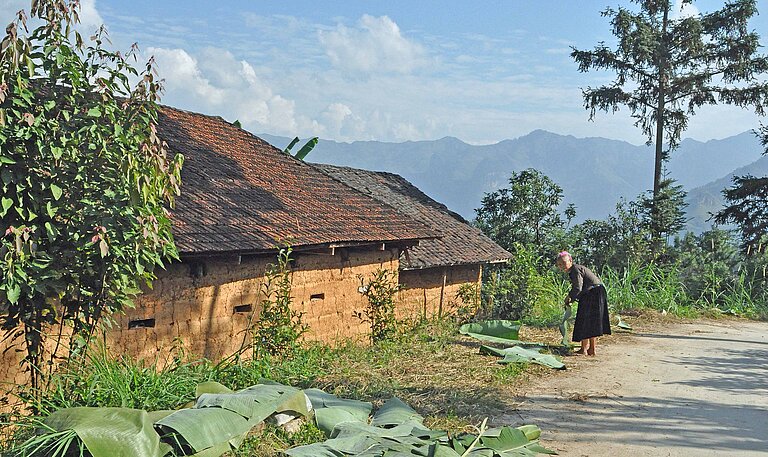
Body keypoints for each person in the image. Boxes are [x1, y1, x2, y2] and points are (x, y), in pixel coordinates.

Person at [555, 251, 611, 356]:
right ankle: (588, 349)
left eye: (563, 263)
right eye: (559, 265)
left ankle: (587, 349)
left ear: (570, 261)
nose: (561, 266)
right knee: (589, 322)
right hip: (594, 292)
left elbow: (577, 288)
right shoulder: (574, 270)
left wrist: (569, 297)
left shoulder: (575, 269)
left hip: (593, 293)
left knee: (586, 321)